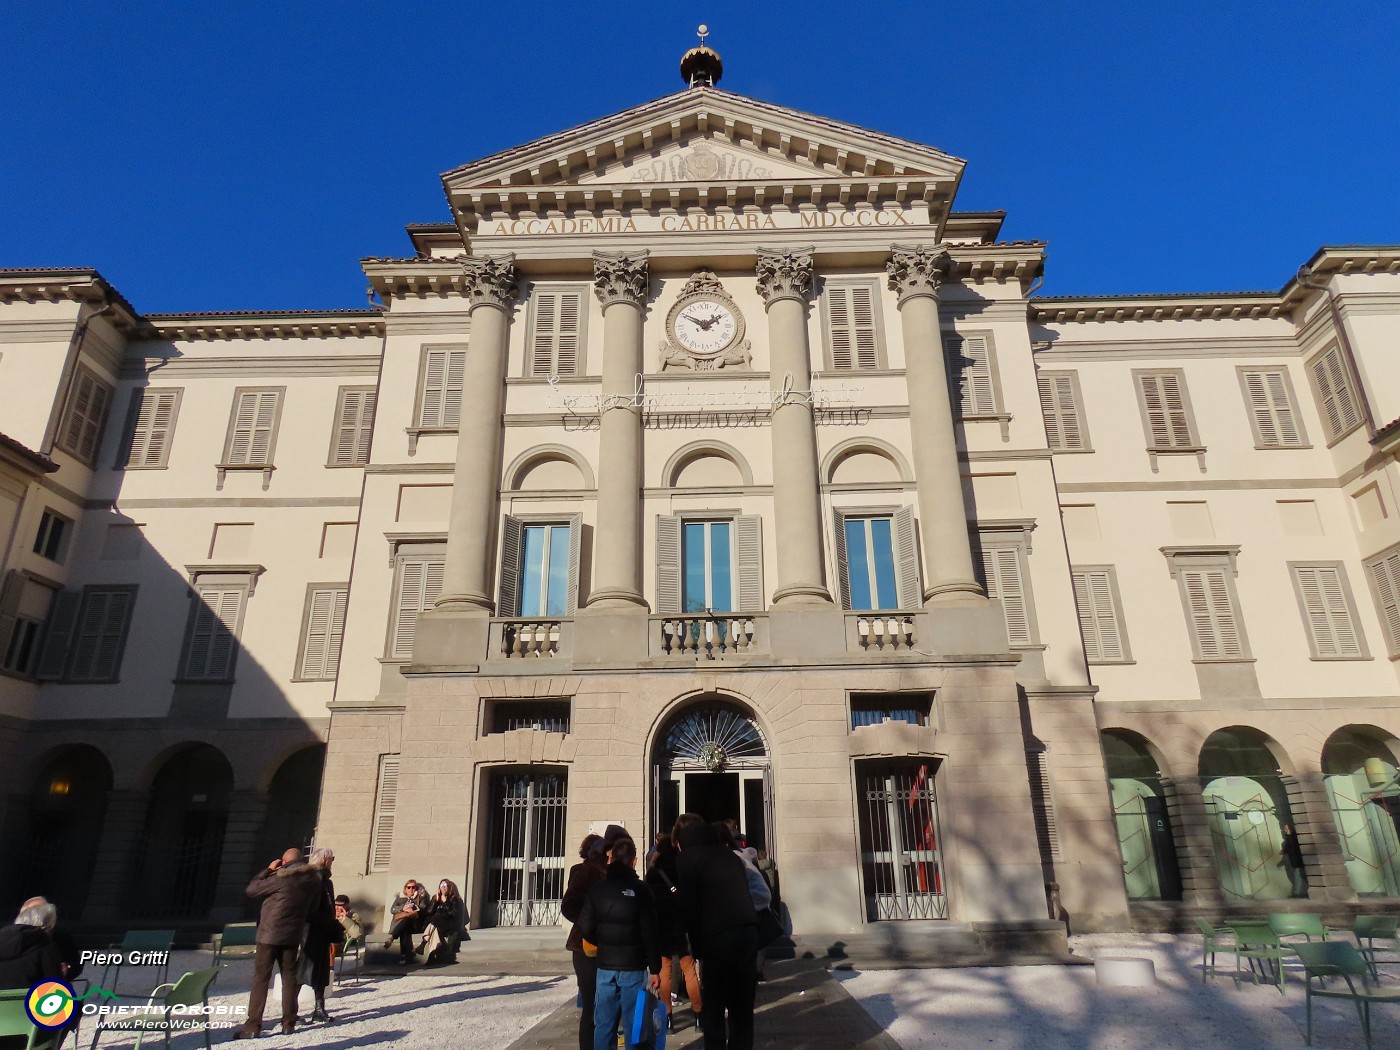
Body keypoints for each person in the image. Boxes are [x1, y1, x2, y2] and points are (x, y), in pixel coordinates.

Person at [675, 814, 759, 1050]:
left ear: (681, 841)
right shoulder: (728, 855)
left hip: (718, 936)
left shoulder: (688, 858)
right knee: (742, 1006)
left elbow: (691, 907)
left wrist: (696, 947)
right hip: (747, 931)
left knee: (713, 1005)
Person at [578, 836, 662, 1050]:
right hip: (633, 964)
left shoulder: (597, 889)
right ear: (634, 861)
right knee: (635, 1025)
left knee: (604, 1024)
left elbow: (584, 925)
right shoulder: (642, 890)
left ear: (611, 859)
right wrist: (655, 968)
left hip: (605, 964)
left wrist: (602, 941)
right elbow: (650, 932)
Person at [232, 847, 323, 1039]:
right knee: (289, 978)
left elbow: (252, 890)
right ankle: (289, 1023)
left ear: (284, 861)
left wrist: (267, 870)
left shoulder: (281, 878)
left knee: (261, 979)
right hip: (293, 935)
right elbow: (313, 909)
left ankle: (253, 1025)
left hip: (269, 934)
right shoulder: (313, 881)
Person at [645, 833, 702, 1031]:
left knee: (664, 973)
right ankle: (698, 1014)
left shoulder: (653, 874)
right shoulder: (683, 869)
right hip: (682, 926)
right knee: (690, 970)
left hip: (662, 927)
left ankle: (668, 1017)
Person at [562, 832, 611, 1050]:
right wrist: (589, 924)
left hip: (605, 946)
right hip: (585, 945)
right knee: (591, 1004)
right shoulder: (585, 872)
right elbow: (569, 905)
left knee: (605, 1004)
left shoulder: (609, 872)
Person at [301, 847, 340, 1023]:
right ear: (325, 860)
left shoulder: (326, 881)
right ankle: (291, 1011)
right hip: (310, 930)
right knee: (304, 968)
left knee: (322, 970)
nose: (332, 862)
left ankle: (319, 1008)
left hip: (323, 931)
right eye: (332, 858)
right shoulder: (311, 878)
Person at [18, 896, 81, 980]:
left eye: (44, 909)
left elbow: (76, 964)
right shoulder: (15, 939)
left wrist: (67, 968)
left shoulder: (61, 937)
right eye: (36, 910)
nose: (42, 913)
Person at [420, 879, 468, 965]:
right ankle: (431, 955)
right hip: (438, 925)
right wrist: (435, 901)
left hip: (450, 925)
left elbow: (453, 914)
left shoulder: (455, 900)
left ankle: (424, 944)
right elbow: (429, 912)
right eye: (441, 886)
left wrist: (446, 902)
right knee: (434, 927)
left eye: (445, 886)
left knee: (434, 922)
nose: (443, 888)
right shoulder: (436, 898)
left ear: (450, 888)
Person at [386, 879, 430, 964]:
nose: (411, 889)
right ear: (405, 889)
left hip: (415, 925)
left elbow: (423, 909)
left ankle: (392, 938)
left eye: (413, 887)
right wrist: (403, 908)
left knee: (407, 920)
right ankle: (404, 955)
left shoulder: (420, 897)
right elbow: (392, 909)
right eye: (409, 887)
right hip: (401, 924)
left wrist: (413, 907)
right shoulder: (400, 898)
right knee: (405, 929)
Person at [1280, 823, 1308, 898]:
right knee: (1301, 877)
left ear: (1290, 829)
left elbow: (1293, 848)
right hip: (1295, 862)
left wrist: (1284, 851)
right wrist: (1284, 852)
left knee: (1297, 877)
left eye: (1286, 828)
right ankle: (1301, 893)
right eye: (1284, 829)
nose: (1284, 830)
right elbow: (1288, 849)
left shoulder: (1294, 837)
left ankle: (1296, 894)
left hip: (1299, 862)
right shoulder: (1288, 838)